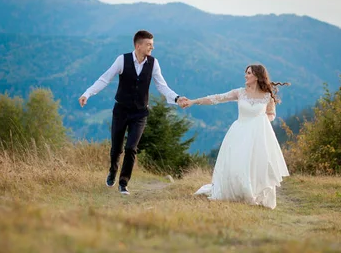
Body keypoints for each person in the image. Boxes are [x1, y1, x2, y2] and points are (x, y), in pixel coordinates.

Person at [79, 30, 187, 195]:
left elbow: (161, 86)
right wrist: (87, 93)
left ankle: (123, 183)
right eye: (149, 44)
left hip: (140, 113)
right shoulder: (122, 60)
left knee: (131, 148)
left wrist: (177, 97)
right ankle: (113, 171)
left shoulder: (153, 63)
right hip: (121, 110)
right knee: (116, 147)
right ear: (138, 46)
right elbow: (105, 78)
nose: (152, 47)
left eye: (152, 44)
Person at [181, 64, 290, 209]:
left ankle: (253, 193)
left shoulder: (267, 96)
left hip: (257, 134)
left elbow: (271, 114)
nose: (245, 75)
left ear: (257, 76)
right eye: (246, 73)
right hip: (239, 132)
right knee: (238, 163)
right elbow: (217, 98)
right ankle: (237, 192)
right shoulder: (240, 93)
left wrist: (262, 121)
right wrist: (193, 101)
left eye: (249, 73)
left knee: (255, 164)